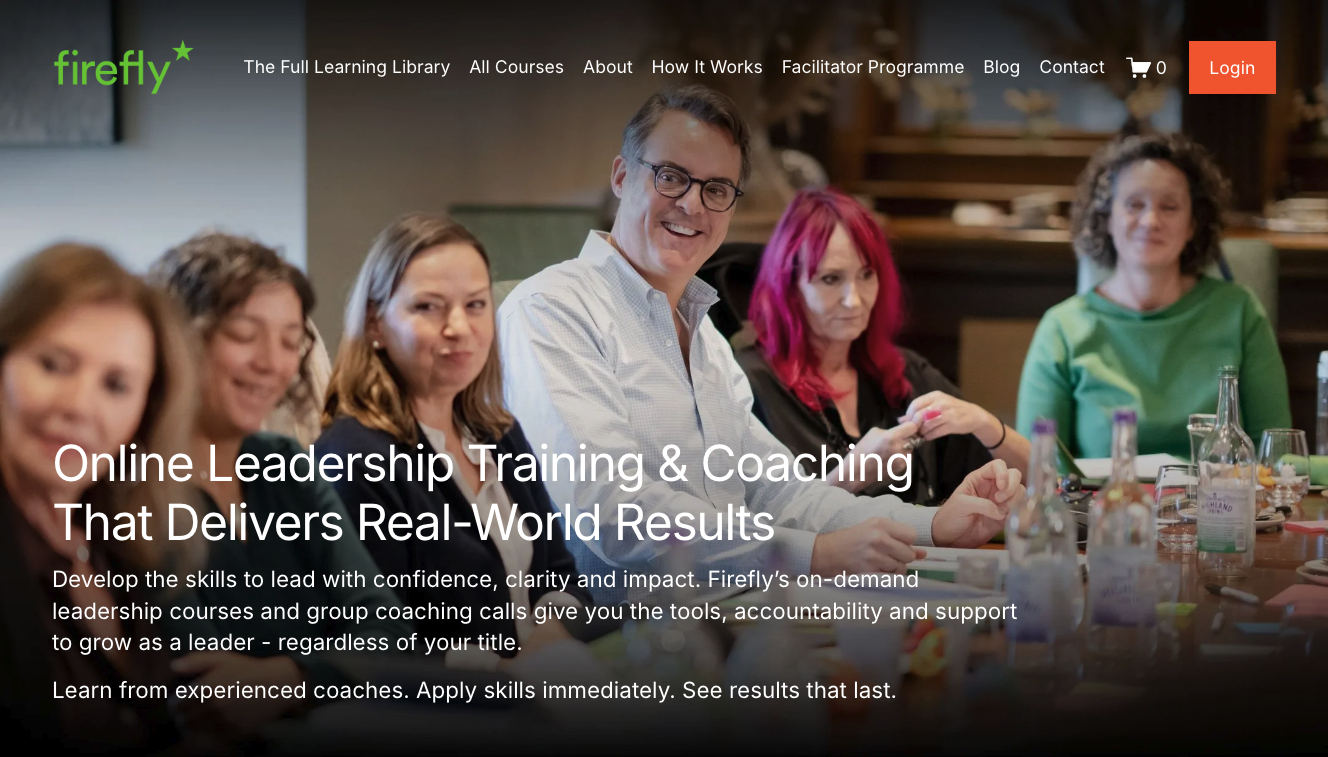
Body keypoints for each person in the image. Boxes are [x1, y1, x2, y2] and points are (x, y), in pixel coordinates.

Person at [498, 84, 1022, 605]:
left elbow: (781, 493)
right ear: (621, 175)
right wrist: (815, 554)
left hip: (753, 611)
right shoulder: (552, 308)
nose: (692, 204)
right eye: (671, 176)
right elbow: (613, 513)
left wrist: (935, 526)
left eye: (717, 189)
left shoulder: (705, 335)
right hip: (632, 646)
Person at [150, 232, 411, 739]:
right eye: (245, 335)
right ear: (178, 337)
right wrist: (334, 669)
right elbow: (201, 684)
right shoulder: (135, 487)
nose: (272, 363)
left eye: (291, 340)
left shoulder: (283, 464)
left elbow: (391, 635)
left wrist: (290, 677)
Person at [318, 212, 591, 671]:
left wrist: (553, 629)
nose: (459, 327)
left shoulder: (497, 432)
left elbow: (561, 574)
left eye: (476, 305)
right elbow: (375, 640)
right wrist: (503, 672)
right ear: (374, 324)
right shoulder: (353, 457)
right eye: (428, 306)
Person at [0, 244, 197, 750]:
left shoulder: (121, 545)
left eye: (116, 385)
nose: (79, 406)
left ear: (144, 413)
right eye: (53, 364)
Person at [738, 187, 1031, 505]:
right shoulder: (747, 385)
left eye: (866, 274)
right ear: (789, 287)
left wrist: (986, 425)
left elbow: (1044, 484)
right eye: (831, 279)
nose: (854, 300)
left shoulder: (905, 374)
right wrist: (846, 479)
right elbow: (746, 529)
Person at [1017, 133, 1291, 459]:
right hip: (1101, 508)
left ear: (1193, 224)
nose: (1150, 221)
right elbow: (1039, 463)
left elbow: (1274, 456)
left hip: (1219, 507)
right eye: (1134, 204)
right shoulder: (1061, 327)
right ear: (1107, 218)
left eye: (1169, 206)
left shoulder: (1240, 313)